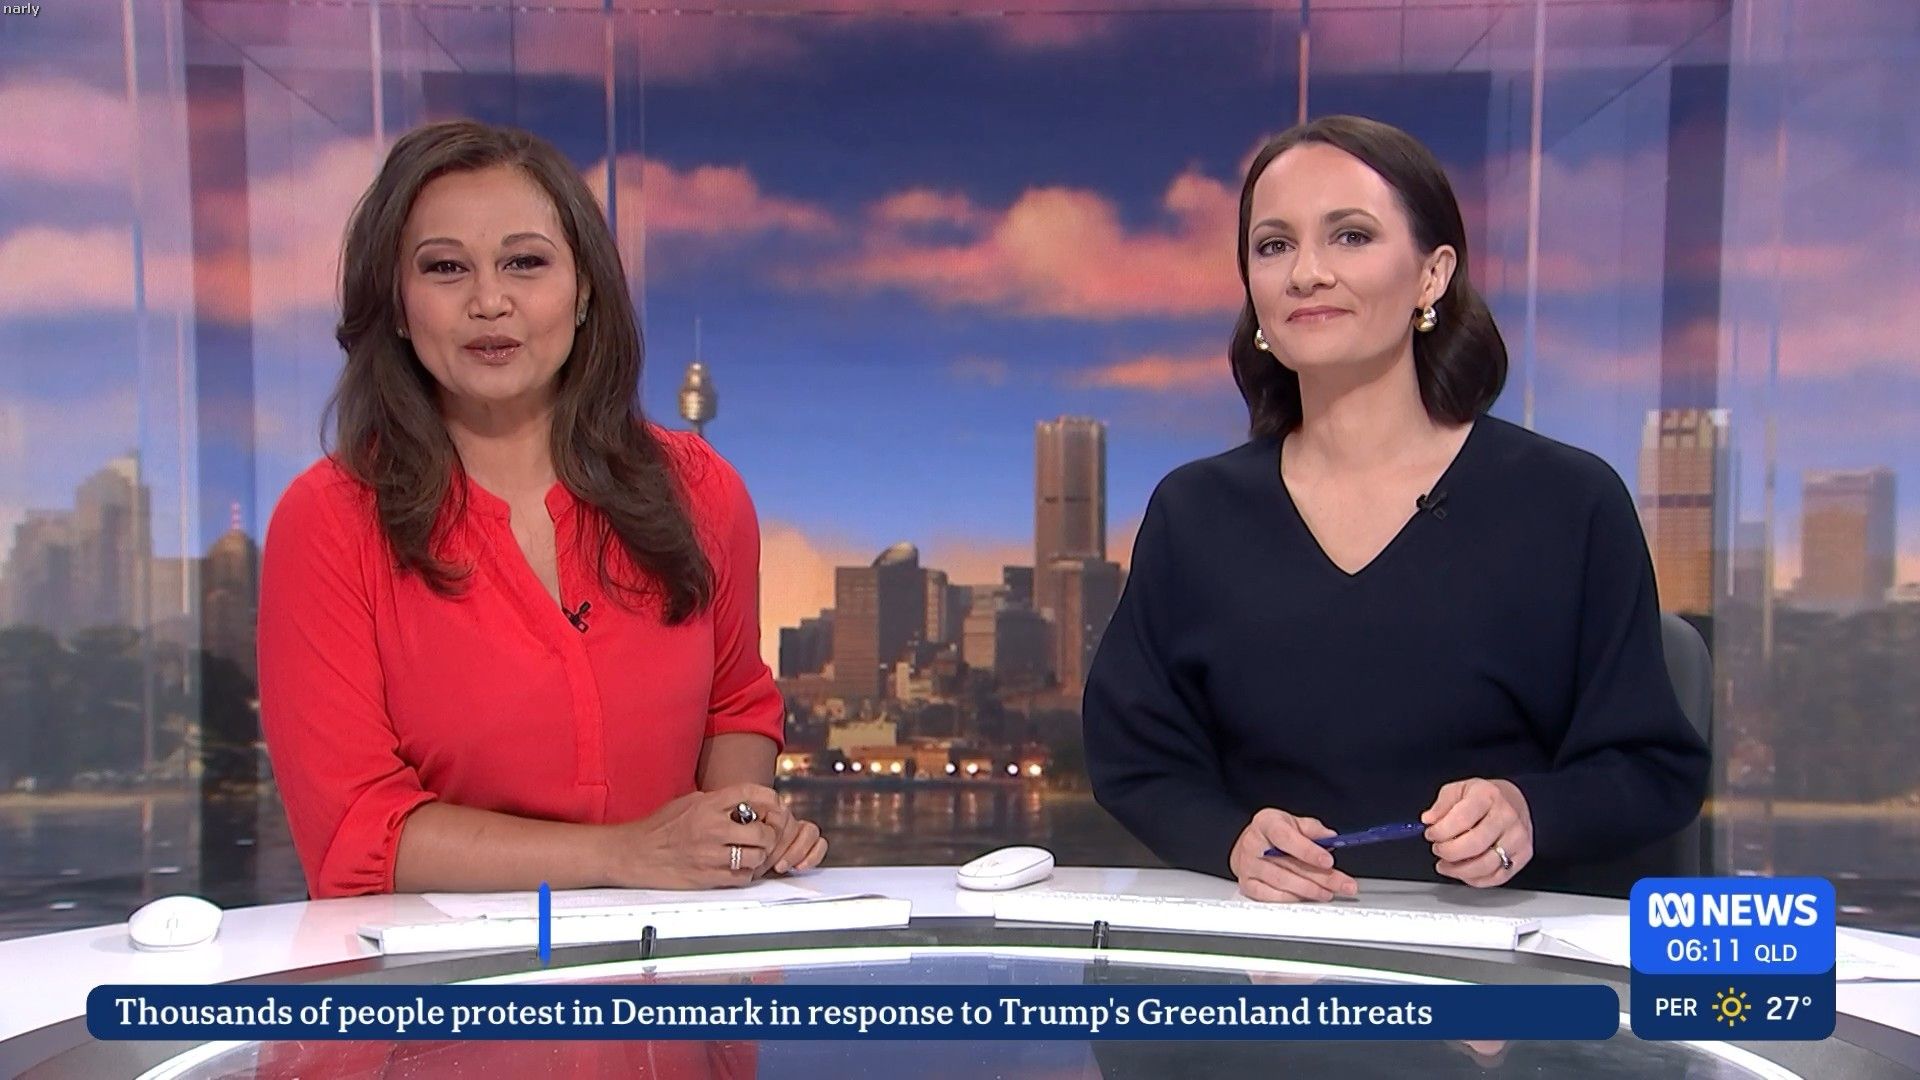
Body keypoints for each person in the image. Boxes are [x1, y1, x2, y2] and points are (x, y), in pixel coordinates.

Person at [1082, 114, 1709, 901]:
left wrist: (1528, 812)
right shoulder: (1194, 513)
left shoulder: (1569, 502)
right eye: (1274, 246)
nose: (1306, 273)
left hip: (1497, 958)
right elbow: (1136, 759)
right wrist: (1228, 839)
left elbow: (1653, 769)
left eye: (1350, 236)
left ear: (1432, 275)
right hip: (1268, 949)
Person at [258, 119, 826, 899]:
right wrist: (626, 854)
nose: (490, 302)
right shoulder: (328, 521)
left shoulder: (701, 490)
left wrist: (735, 833)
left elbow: (735, 706)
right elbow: (356, 830)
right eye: (445, 268)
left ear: (585, 288)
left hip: (673, 959)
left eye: (525, 262)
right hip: (436, 970)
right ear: (396, 305)